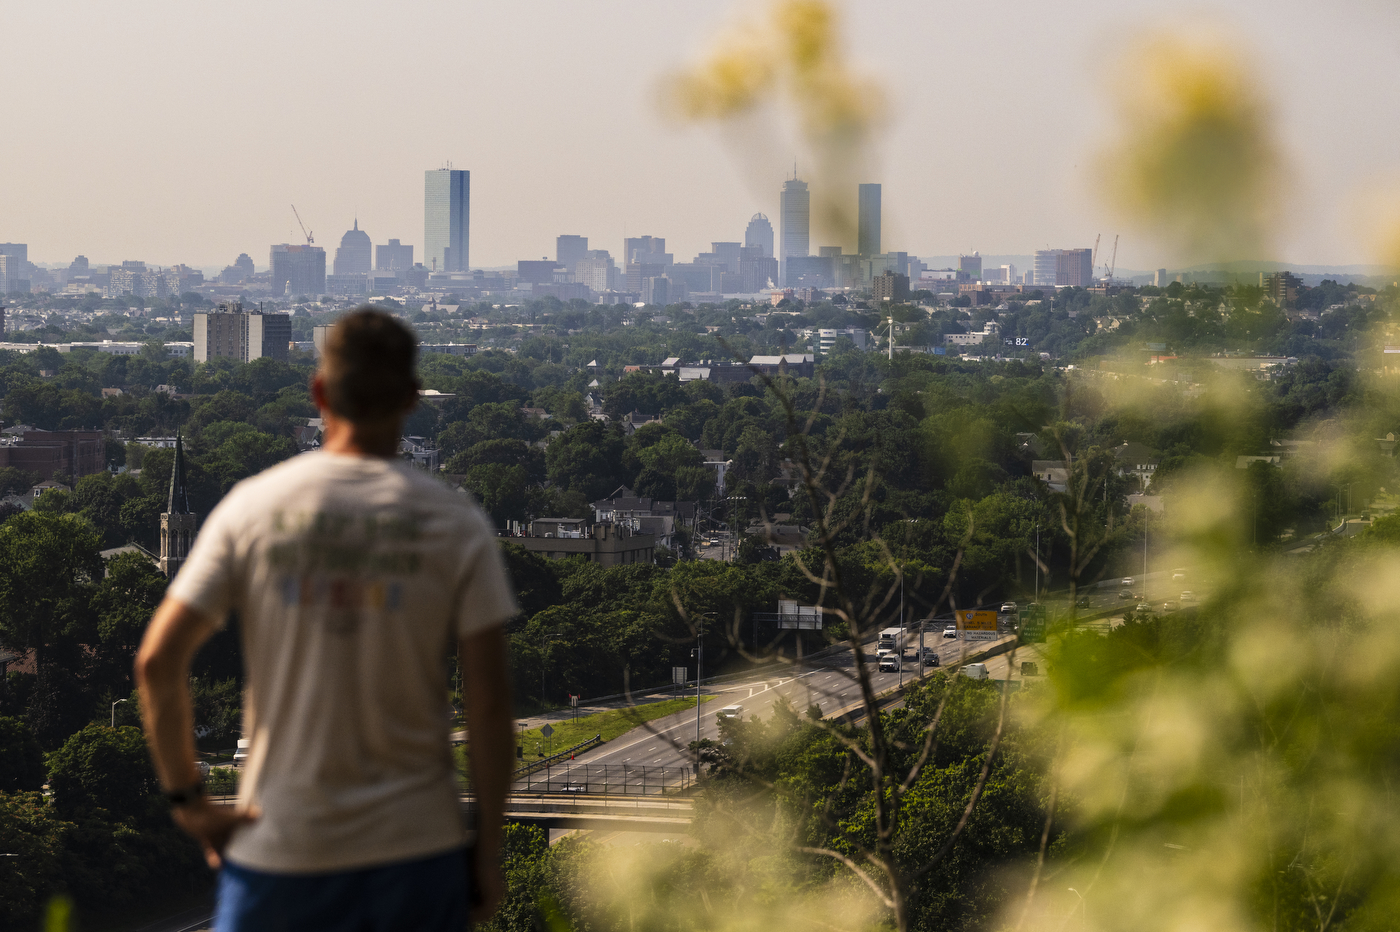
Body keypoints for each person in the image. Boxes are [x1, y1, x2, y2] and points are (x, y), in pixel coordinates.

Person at [136, 309, 516, 931]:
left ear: (318, 392)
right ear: (412, 399)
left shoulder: (252, 507)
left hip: (279, 845)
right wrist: (487, 850)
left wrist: (191, 802)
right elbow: (490, 706)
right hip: (415, 851)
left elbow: (157, 660)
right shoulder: (455, 522)